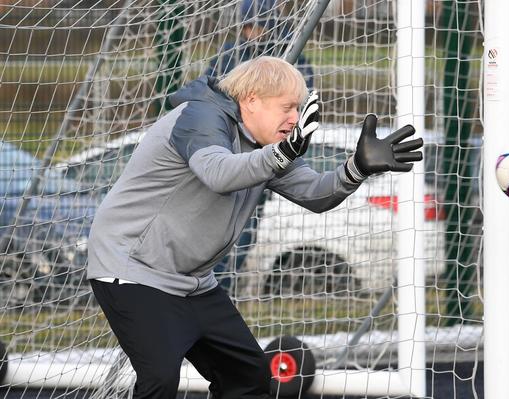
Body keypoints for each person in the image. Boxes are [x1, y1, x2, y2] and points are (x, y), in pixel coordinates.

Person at [86, 56, 423, 399]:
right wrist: (281, 154)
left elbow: (315, 193)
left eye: (298, 109)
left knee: (248, 377)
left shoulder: (269, 146)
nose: (294, 119)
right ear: (251, 101)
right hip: (132, 269)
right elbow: (219, 172)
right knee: (159, 377)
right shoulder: (200, 116)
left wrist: (357, 168)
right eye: (287, 108)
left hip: (192, 281)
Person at [207, 0, 315, 292]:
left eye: (257, 26)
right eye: (247, 26)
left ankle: (223, 290)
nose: (251, 32)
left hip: (264, 160)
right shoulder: (230, 54)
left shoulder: (290, 55)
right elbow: (213, 93)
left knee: (242, 234)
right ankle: (208, 289)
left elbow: (302, 100)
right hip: (230, 155)